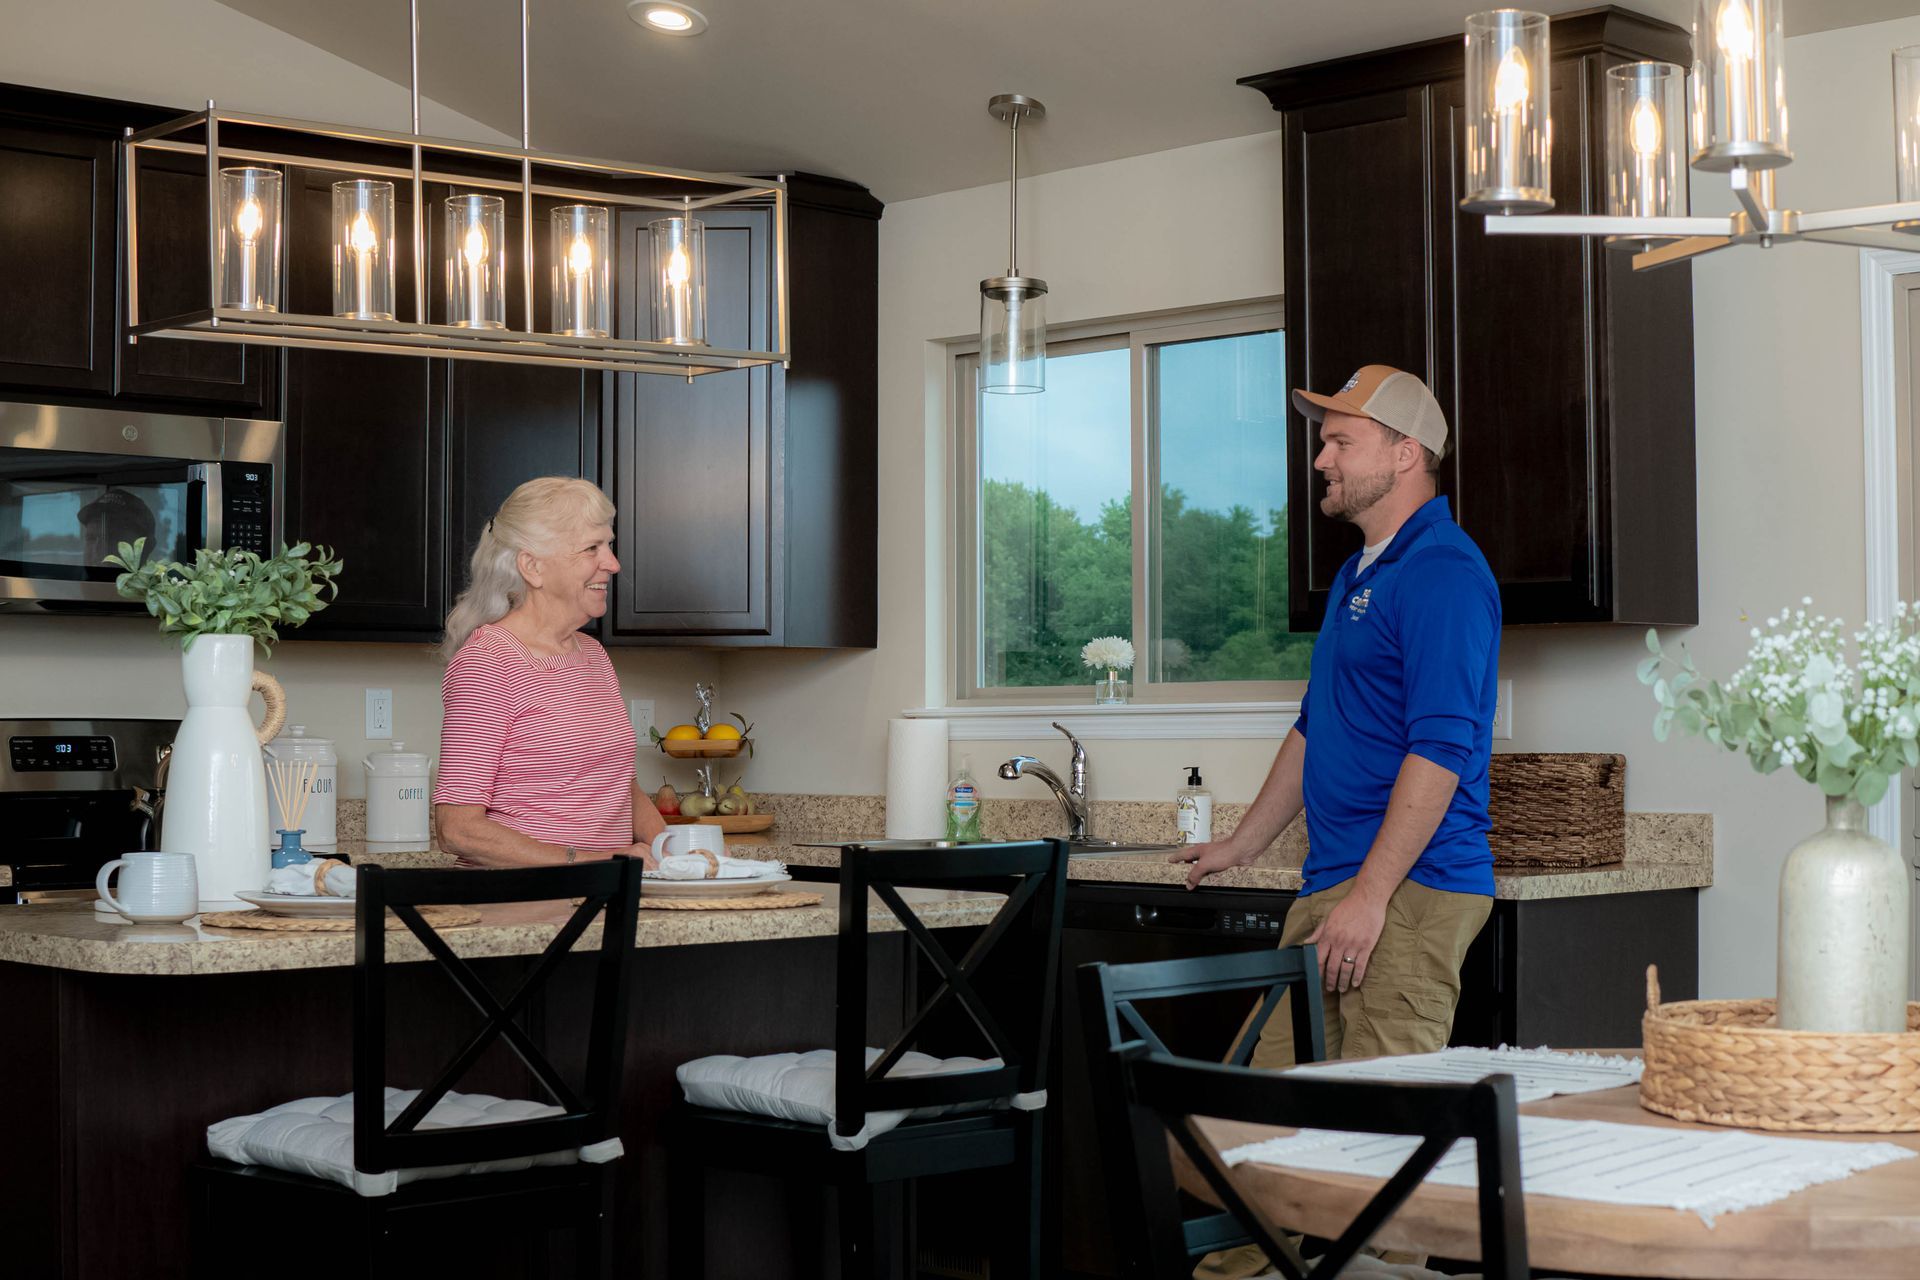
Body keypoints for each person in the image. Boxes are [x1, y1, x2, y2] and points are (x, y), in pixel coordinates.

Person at [1172, 364, 1500, 1067]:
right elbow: (1315, 726)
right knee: (1260, 1117)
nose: (1322, 460)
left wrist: (1371, 898)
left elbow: (1441, 749)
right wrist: (1242, 844)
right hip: (1336, 883)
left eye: (1342, 443)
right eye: (1325, 444)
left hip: (1409, 890)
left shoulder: (1442, 571)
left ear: (1405, 452)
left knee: (1379, 1141)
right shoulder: (1359, 574)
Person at [433, 476, 666, 868]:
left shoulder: (591, 654)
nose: (612, 563)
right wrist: (597, 862)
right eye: (592, 548)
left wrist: (674, 847)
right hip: (517, 909)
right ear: (532, 566)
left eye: (608, 545)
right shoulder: (488, 662)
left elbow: (617, 786)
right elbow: (457, 829)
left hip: (598, 899)